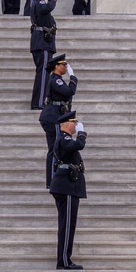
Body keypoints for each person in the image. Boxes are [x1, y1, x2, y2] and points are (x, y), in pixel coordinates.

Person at [50, 111, 86, 271]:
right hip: (67, 187)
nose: (76, 125)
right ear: (66, 124)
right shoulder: (64, 139)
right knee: (67, 226)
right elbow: (79, 145)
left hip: (68, 186)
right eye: (74, 122)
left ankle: (65, 259)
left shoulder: (64, 139)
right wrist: (82, 134)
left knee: (69, 225)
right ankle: (64, 261)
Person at [39, 53, 77, 188]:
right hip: (53, 116)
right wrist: (73, 78)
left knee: (53, 148)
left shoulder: (56, 79)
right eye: (63, 64)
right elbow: (69, 92)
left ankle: (52, 180)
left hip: (53, 115)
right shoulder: (56, 80)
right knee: (55, 148)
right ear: (56, 66)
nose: (66, 67)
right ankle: (53, 180)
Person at [28, 0, 57, 110]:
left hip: (42, 42)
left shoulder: (38, 4)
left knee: (43, 73)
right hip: (42, 43)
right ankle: (38, 102)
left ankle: (39, 100)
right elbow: (48, 7)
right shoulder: (39, 3)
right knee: (44, 74)